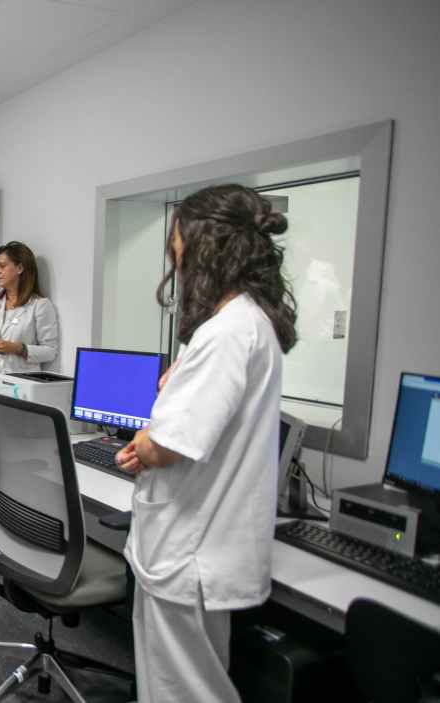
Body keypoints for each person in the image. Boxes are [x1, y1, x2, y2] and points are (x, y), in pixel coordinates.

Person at [114, 184, 297, 703]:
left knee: (186, 692)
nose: (176, 264)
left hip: (189, 549)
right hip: (196, 544)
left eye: (178, 251)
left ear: (206, 250)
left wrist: (145, 442)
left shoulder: (228, 332)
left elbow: (169, 445)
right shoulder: (245, 323)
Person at [0, 241, 59, 414]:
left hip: (17, 389)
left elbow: (50, 351)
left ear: (20, 268)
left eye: (2, 266)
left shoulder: (40, 305)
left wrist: (19, 348)